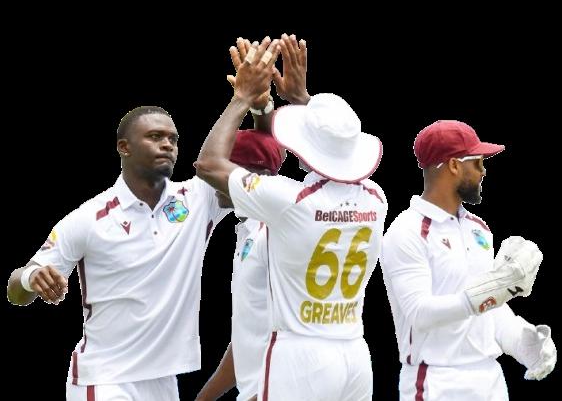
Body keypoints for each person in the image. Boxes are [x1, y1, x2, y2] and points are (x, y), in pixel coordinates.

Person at [195, 35, 388, 401]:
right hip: (354, 353)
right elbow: (319, 152)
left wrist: (242, 97)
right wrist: (296, 103)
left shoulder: (289, 205)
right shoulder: (376, 198)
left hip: (300, 359)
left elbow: (208, 165)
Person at [6, 105, 234, 400]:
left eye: (173, 139)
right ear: (124, 147)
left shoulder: (198, 199)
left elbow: (253, 164)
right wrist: (32, 277)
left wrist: (250, 103)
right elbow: (15, 291)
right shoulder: (89, 218)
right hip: (105, 379)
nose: (168, 145)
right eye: (155, 136)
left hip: (164, 381)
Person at [380, 120, 556, 400]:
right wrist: (481, 296)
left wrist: (522, 341)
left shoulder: (479, 229)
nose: (483, 171)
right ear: (453, 165)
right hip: (436, 381)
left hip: (490, 379)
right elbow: (419, 314)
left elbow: (488, 307)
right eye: (477, 163)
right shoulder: (407, 231)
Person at [195, 34, 307, 401]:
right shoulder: (252, 225)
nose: (214, 187)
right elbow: (248, 342)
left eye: (223, 178)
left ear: (245, 180)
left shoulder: (272, 233)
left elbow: (280, 336)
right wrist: (263, 109)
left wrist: (243, 99)